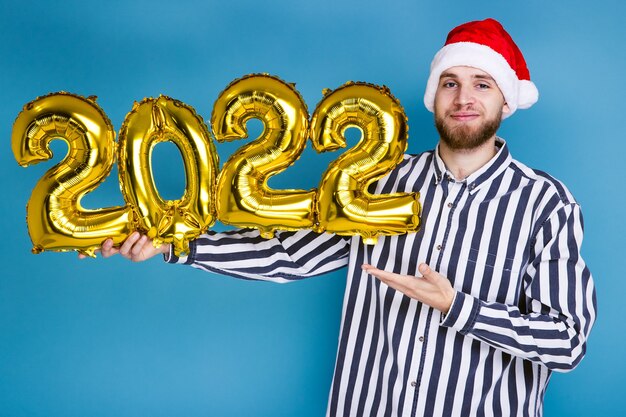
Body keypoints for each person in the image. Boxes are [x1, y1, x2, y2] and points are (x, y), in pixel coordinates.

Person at [92, 18, 596, 417]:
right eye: (450, 83)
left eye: (481, 84)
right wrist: (176, 244)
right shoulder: (377, 183)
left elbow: (568, 341)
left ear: (505, 100)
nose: (464, 98)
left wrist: (457, 306)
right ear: (434, 98)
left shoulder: (545, 204)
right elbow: (286, 254)